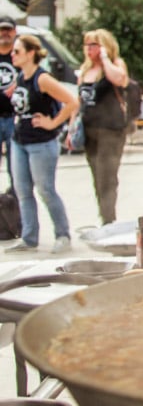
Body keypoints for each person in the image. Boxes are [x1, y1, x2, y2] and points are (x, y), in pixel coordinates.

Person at [4, 34, 79, 253]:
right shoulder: (21, 76)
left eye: (17, 51)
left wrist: (52, 123)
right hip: (20, 140)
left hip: (41, 142)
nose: (12, 55)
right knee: (23, 190)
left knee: (46, 189)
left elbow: (71, 101)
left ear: (30, 53)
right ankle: (29, 237)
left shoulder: (42, 78)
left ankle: (62, 234)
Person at [71, 29, 130, 225]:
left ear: (104, 45)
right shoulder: (85, 70)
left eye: (94, 45)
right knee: (96, 175)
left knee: (108, 176)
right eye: (87, 45)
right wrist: (72, 128)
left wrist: (105, 58)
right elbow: (79, 102)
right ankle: (103, 215)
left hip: (111, 129)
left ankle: (109, 219)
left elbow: (119, 79)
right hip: (89, 129)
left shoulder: (114, 65)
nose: (89, 49)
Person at [0, 17, 17, 190]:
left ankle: (14, 209)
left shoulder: (19, 54)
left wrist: (18, 83)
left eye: (8, 29)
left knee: (16, 168)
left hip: (14, 118)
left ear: (14, 32)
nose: (4, 33)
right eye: (2, 29)